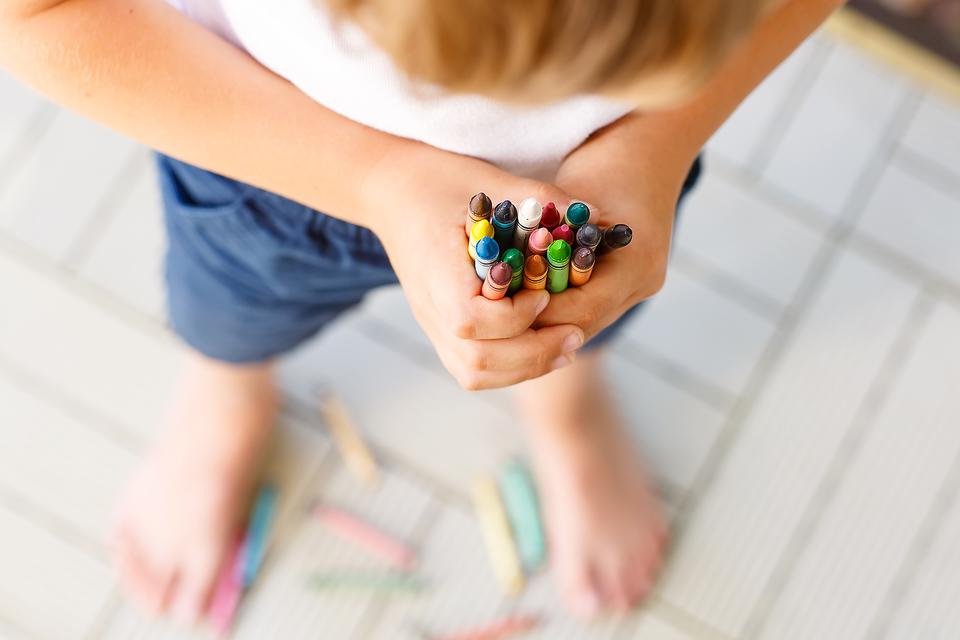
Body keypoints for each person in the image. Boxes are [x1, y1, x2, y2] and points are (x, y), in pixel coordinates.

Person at [0, 0, 842, 624]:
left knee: (589, 309)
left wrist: (659, 137)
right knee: (232, 310)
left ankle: (563, 400)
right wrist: (377, 179)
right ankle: (229, 393)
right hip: (276, 159)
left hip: (607, 180)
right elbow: (36, 19)